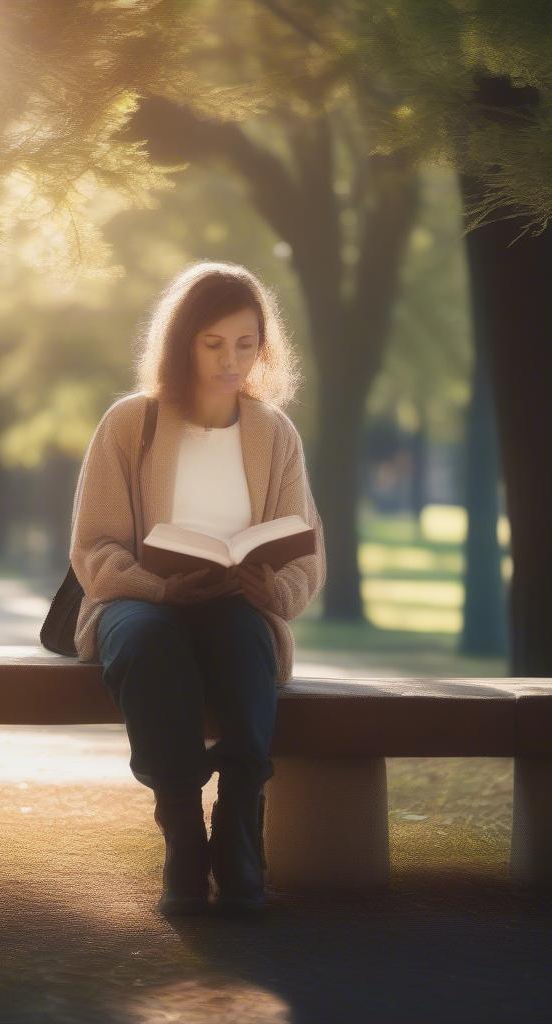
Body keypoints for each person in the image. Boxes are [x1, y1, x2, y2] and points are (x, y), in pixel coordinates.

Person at [68, 261, 326, 917]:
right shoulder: (133, 422)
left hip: (238, 603)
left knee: (244, 642)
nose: (230, 360)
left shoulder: (274, 433)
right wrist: (157, 585)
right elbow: (93, 544)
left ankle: (240, 825)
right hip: (140, 604)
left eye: (245, 343)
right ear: (184, 341)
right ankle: (182, 829)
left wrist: (270, 585)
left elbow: (308, 555)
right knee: (150, 643)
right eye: (213, 343)